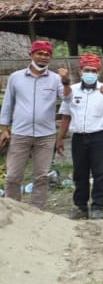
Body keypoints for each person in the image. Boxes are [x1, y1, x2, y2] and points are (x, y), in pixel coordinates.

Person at [0, 41, 70, 209]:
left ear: (50, 58)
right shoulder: (16, 77)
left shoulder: (55, 79)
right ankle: (13, 209)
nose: (43, 57)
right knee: (13, 176)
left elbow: (67, 99)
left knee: (41, 176)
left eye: (47, 54)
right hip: (20, 133)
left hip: (45, 135)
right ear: (31, 55)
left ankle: (36, 211)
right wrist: (4, 129)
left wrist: (66, 82)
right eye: (39, 53)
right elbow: (8, 103)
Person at [56, 53, 103, 220]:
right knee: (80, 173)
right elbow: (66, 116)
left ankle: (98, 206)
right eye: (87, 70)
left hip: (100, 137)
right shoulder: (72, 91)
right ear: (80, 71)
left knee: (100, 173)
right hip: (79, 137)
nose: (90, 73)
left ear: (98, 72)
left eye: (94, 70)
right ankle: (80, 206)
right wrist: (60, 138)